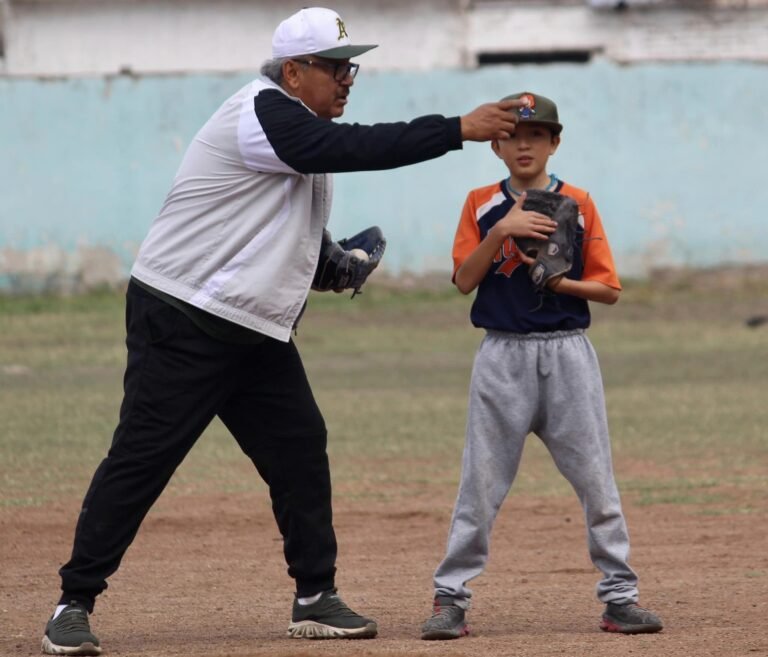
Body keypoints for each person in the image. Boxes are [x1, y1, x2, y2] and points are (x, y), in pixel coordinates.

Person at [41, 7, 528, 656]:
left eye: (350, 66)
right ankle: (72, 603)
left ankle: (314, 596)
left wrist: (336, 265)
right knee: (142, 458)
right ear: (293, 72)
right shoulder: (263, 112)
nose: (347, 78)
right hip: (184, 316)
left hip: (251, 329)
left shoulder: (296, 128)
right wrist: (455, 129)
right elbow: (348, 147)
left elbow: (277, 225)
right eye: (334, 67)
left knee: (300, 444)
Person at [419, 91, 664, 640]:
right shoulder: (482, 204)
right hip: (501, 355)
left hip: (568, 352)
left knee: (596, 478)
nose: (523, 143)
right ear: (496, 145)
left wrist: (560, 283)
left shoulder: (577, 202)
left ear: (555, 142)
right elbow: (463, 281)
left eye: (537, 134)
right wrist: (503, 231)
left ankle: (620, 597)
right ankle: (450, 598)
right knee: (479, 484)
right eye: (512, 135)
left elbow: (609, 288)